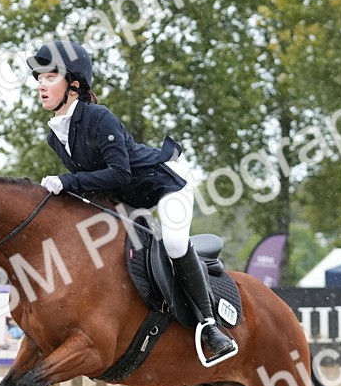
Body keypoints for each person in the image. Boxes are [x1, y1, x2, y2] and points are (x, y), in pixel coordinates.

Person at [26, 40, 238, 367]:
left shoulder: (99, 117)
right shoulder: (56, 135)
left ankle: (210, 326)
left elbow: (119, 174)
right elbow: (96, 188)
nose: (40, 83)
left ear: (74, 84)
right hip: (129, 201)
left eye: (50, 76)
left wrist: (67, 182)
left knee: (176, 243)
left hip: (165, 185)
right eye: (38, 77)